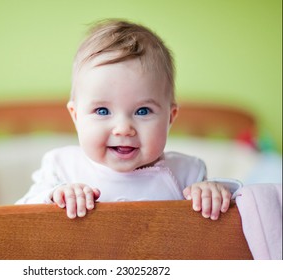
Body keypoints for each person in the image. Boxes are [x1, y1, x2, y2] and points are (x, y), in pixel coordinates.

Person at [17, 19, 240, 220]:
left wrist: (214, 194)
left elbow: (228, 222)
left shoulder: (187, 173)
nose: (123, 129)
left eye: (142, 111)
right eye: (103, 111)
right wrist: (54, 197)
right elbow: (18, 216)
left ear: (170, 118)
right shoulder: (62, 167)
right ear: (76, 117)